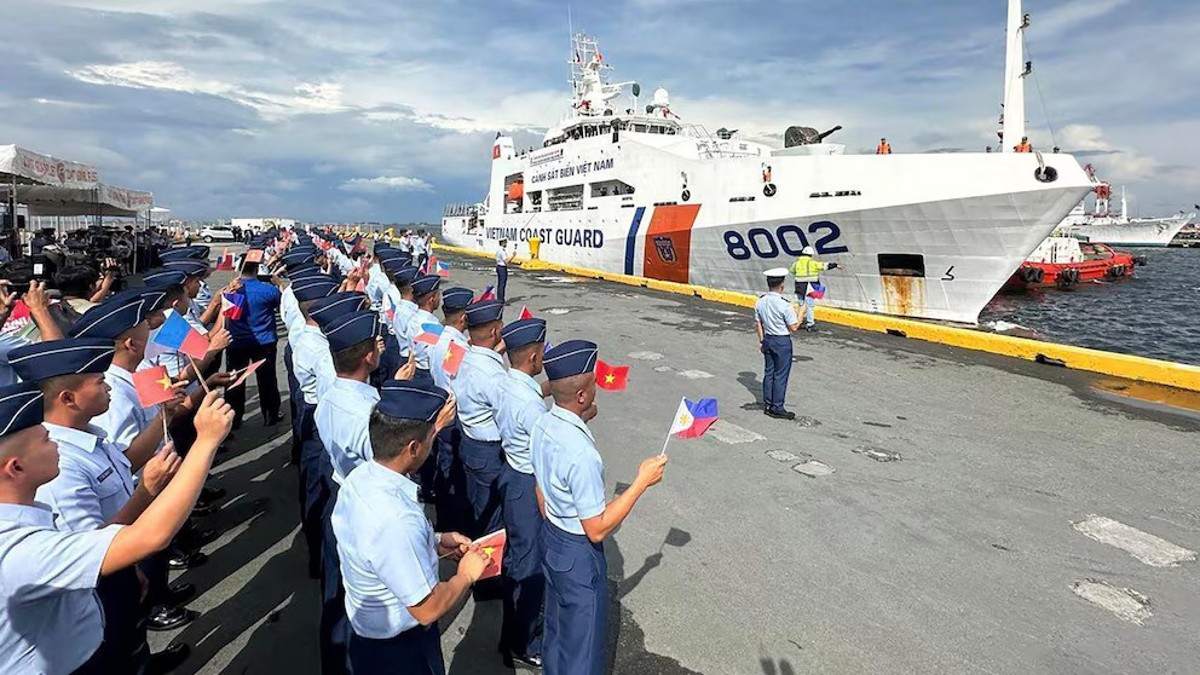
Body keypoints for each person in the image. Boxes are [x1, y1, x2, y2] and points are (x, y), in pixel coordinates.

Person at [0, 382, 233, 675]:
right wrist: (206, 441)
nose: (57, 444)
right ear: (16, 468)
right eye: (47, 441)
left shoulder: (23, 515)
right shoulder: (16, 550)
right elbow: (149, 537)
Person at [9, 337, 192, 673]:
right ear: (68, 398)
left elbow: (124, 464)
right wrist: (149, 489)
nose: (108, 385)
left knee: (131, 639)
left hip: (117, 562)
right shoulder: (59, 470)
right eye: (99, 381)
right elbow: (97, 544)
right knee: (115, 650)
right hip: (100, 576)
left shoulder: (88, 434)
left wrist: (160, 419)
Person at [531, 340, 667, 675]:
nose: (598, 389)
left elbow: (540, 487)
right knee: (583, 650)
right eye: (594, 384)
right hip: (578, 553)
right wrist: (641, 482)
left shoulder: (542, 424)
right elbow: (597, 527)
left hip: (552, 537)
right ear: (581, 396)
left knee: (558, 632)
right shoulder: (582, 454)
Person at [332, 380, 485, 675]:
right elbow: (428, 608)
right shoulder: (396, 519)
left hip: (367, 635)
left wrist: (436, 541)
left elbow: (376, 551)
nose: (432, 443)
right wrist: (466, 575)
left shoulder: (361, 477)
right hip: (398, 651)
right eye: (431, 437)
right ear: (413, 448)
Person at [494, 318, 551, 668]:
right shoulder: (531, 406)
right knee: (529, 566)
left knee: (517, 557)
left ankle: (513, 631)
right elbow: (545, 453)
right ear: (532, 356)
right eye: (543, 350)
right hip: (527, 484)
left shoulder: (507, 382)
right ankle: (523, 641)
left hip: (510, 473)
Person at [451, 299, 507, 538]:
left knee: (474, 503)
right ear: (495, 331)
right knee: (490, 521)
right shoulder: (493, 374)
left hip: (467, 437)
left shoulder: (458, 351)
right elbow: (508, 417)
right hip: (488, 450)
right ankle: (485, 574)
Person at [224, 256, 284, 428]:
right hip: (264, 341)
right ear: (257, 270)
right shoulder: (267, 290)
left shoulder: (232, 291)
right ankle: (270, 415)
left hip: (237, 341)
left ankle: (233, 419)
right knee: (267, 380)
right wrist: (279, 284)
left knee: (235, 381)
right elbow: (283, 304)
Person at [755, 268, 803, 420]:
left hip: (768, 338)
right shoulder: (785, 304)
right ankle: (777, 407)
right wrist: (802, 312)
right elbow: (794, 327)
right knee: (780, 375)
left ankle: (768, 404)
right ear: (782, 286)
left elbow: (758, 323)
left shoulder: (760, 301)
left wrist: (762, 341)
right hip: (782, 341)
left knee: (769, 373)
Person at [787, 245, 839, 332]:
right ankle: (810, 324)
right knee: (810, 305)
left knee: (801, 304)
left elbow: (792, 271)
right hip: (810, 286)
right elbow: (824, 266)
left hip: (799, 286)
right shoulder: (813, 263)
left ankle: (798, 321)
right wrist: (835, 265)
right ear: (811, 255)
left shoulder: (796, 263)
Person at [495, 239, 516, 303]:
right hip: (502, 268)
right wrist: (513, 256)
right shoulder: (502, 251)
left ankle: (499, 298)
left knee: (499, 284)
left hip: (498, 266)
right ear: (503, 243)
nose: (506, 244)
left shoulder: (498, 250)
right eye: (505, 242)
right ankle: (501, 299)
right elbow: (506, 261)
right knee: (502, 284)